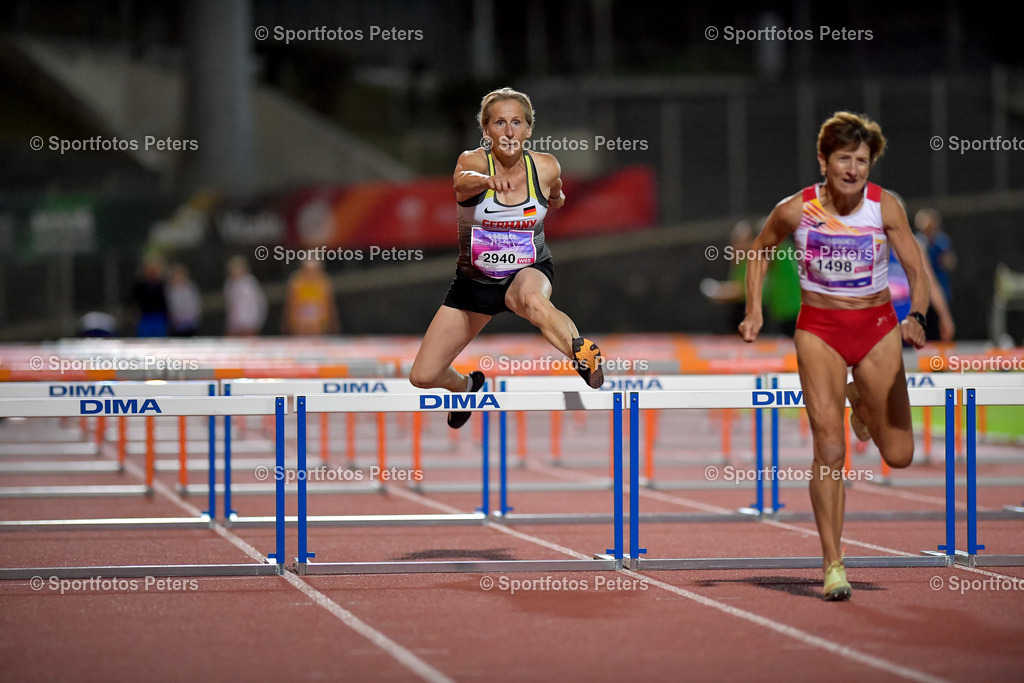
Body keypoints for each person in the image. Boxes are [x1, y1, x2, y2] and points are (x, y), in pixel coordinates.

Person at [740, 112, 929, 601]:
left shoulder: (884, 207)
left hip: (877, 327)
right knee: (829, 448)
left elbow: (916, 266)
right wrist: (754, 312)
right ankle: (833, 563)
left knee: (900, 455)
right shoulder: (795, 210)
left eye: (862, 160)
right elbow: (760, 250)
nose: (852, 169)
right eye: (843, 158)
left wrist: (919, 316)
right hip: (820, 330)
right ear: (823, 160)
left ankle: (859, 397)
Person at [409, 87, 605, 429]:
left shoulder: (544, 167)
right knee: (423, 375)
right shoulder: (472, 162)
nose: (509, 131)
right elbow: (461, 183)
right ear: (486, 131)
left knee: (530, 299)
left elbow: (556, 189)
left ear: (529, 129)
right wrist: (488, 180)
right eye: (500, 123)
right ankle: (466, 388)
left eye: (517, 123)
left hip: (528, 268)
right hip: (476, 282)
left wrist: (556, 198)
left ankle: (580, 353)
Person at [914, 207, 956, 340]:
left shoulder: (941, 242)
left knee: (939, 332)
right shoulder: (917, 242)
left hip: (939, 289)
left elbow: (950, 262)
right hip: (922, 295)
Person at [282, 259, 340, 336]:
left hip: (320, 324)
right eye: (308, 271)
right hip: (299, 324)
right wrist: (287, 327)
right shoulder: (296, 283)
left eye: (314, 271)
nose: (311, 275)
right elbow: (290, 308)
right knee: (306, 321)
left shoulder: (323, 284)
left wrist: (334, 326)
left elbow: (330, 308)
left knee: (314, 321)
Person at [224, 256, 267, 336]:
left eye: (237, 268)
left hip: (249, 324)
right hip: (234, 325)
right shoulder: (229, 284)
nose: (234, 271)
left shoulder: (250, 283)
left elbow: (259, 304)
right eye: (232, 269)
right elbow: (230, 306)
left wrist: (257, 322)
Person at [130, 254, 169, 337]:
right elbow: (134, 301)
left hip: (159, 318)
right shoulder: (140, 286)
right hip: (145, 317)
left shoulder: (163, 285)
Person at [166, 263, 202, 337]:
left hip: (190, 322)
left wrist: (195, 317)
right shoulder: (170, 288)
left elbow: (196, 303)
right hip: (176, 323)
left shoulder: (191, 287)